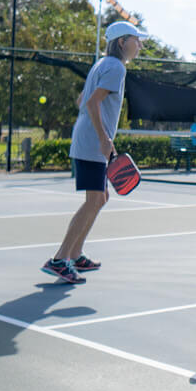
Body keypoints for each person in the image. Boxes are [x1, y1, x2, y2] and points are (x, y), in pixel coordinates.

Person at [44, 21, 146, 284]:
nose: (140, 45)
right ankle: (59, 259)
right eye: (136, 40)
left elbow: (82, 100)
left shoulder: (101, 65)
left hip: (88, 140)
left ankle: (76, 254)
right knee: (94, 200)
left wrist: (98, 134)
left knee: (100, 198)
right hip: (92, 144)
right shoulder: (116, 68)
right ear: (122, 42)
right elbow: (91, 102)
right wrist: (102, 138)